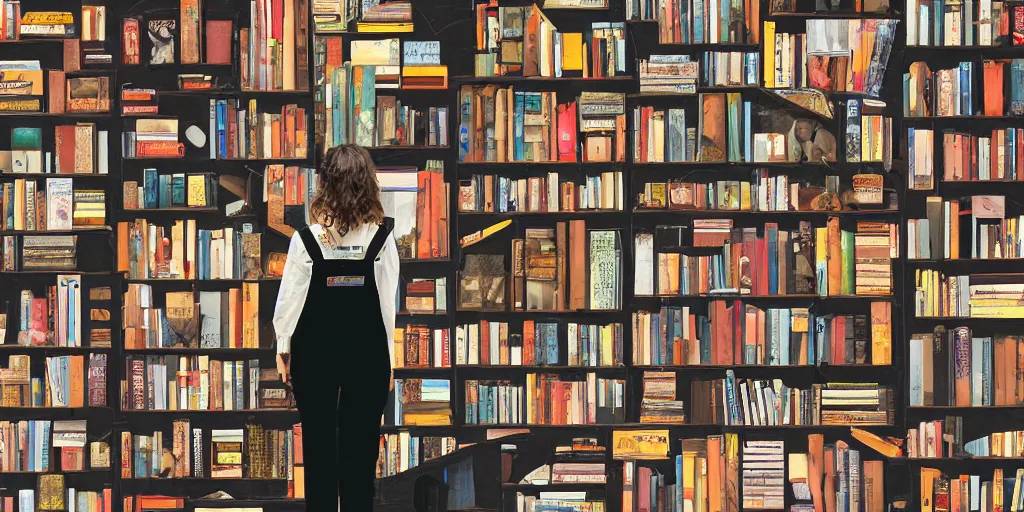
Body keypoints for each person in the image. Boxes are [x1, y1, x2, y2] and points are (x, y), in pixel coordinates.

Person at [273, 144, 399, 512]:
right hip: (368, 357)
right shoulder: (381, 240)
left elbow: (290, 302)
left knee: (319, 454)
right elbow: (387, 305)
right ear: (367, 184)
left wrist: (283, 348)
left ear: (325, 183)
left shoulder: (306, 240)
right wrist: (388, 361)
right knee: (361, 458)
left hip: (315, 357)